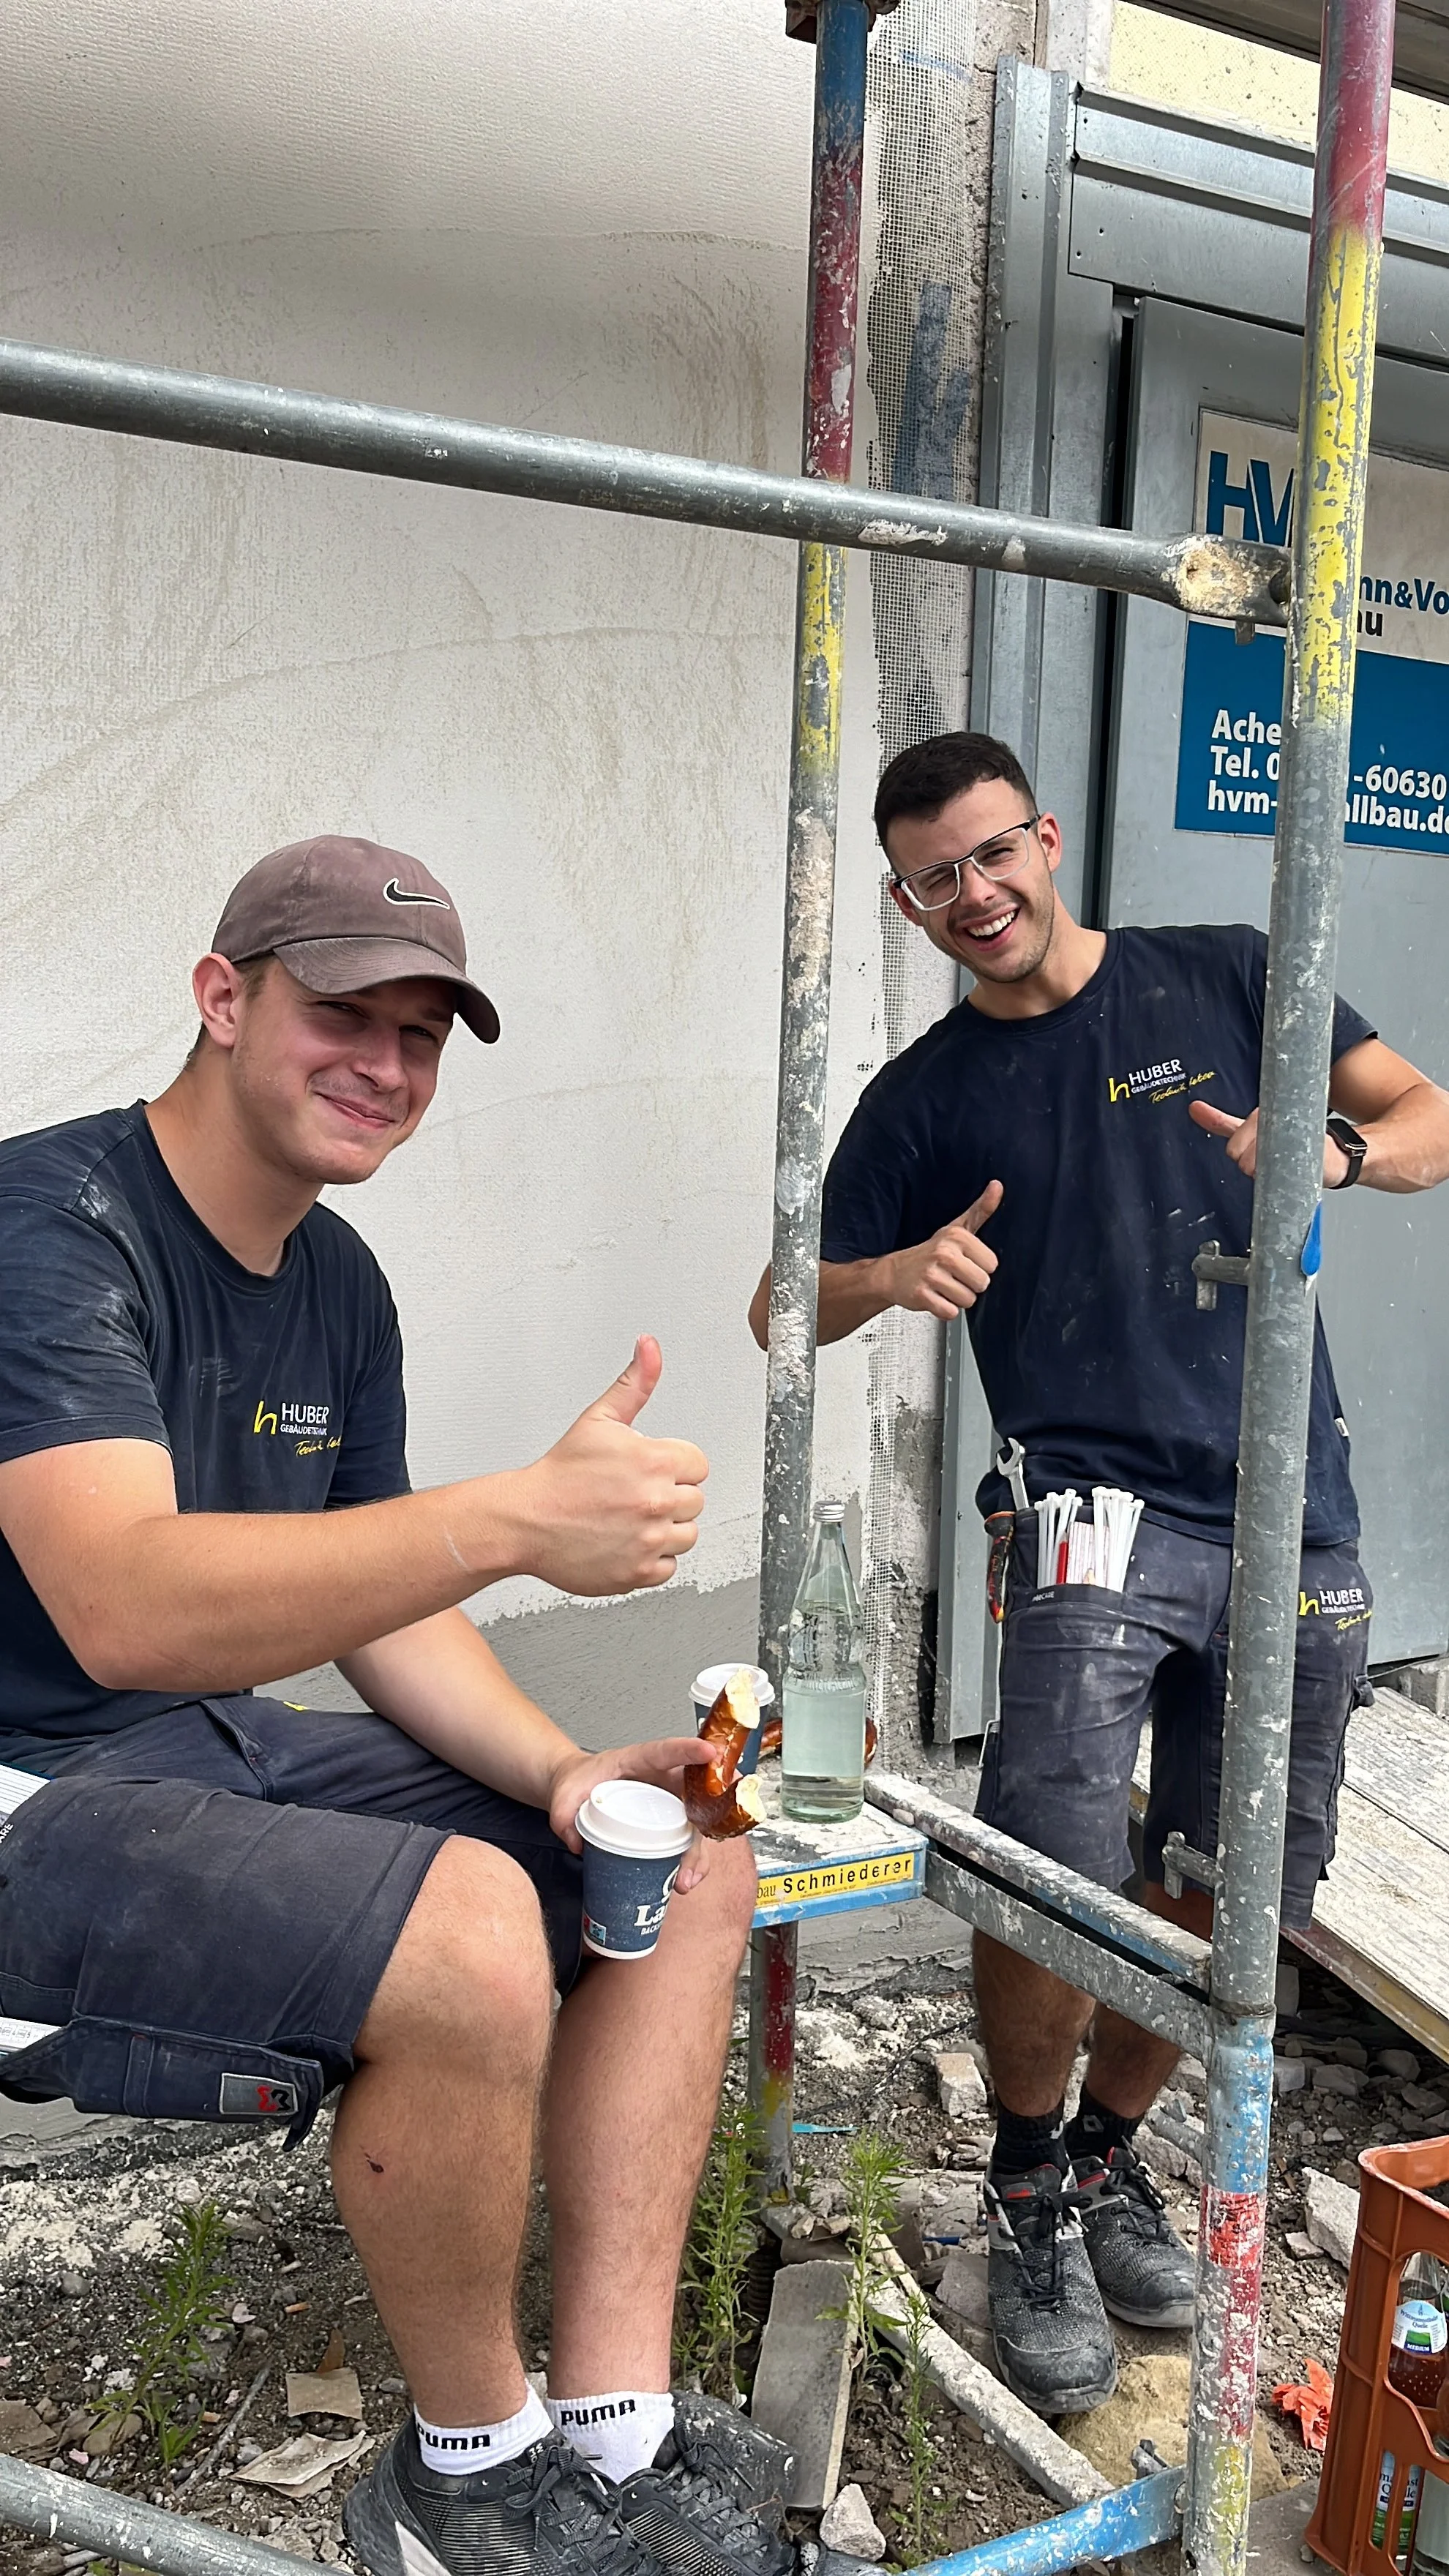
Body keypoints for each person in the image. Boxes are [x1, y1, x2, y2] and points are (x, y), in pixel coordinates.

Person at [0, 836, 792, 2576]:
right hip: (27, 1787)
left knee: (687, 1851)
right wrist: (519, 1511)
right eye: (346, 1009)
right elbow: (119, 1601)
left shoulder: (339, 1283)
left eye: (425, 1031)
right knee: (471, 1931)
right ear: (222, 1000)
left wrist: (570, 1765)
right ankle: (460, 2479)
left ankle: (610, 2429)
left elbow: (387, 1607)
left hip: (209, 1757)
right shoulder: (48, 1226)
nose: (390, 1061)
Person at [749, 731, 1449, 2418]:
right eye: (935, 880)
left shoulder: (1228, 973)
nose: (974, 895)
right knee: (1056, 1866)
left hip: (1297, 1507)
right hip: (1086, 1511)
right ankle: (1019, 2180)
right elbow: (782, 1305)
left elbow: (1426, 1115)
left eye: (992, 854)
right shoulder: (923, 1100)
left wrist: (1333, 1156)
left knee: (1242, 1877)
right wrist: (893, 1270)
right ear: (911, 908)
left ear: (1046, 836)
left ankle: (1110, 2154)